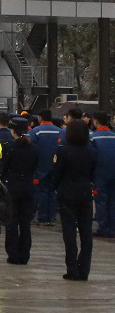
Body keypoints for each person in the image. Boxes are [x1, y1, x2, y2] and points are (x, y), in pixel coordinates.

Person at [53, 119, 96, 280]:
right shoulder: (92, 150)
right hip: (85, 191)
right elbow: (93, 172)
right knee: (86, 232)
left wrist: (56, 186)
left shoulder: (63, 151)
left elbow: (57, 172)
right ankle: (84, 269)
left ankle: (72, 268)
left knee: (69, 232)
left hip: (67, 192)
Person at [1, 117, 37, 264]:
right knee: (25, 223)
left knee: (12, 221)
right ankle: (25, 253)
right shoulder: (34, 148)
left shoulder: (9, 147)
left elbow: (4, 167)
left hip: (12, 187)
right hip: (28, 187)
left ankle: (13, 253)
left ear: (13, 131)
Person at [29, 109, 64, 224]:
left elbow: (32, 149)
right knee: (52, 191)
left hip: (40, 166)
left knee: (41, 191)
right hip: (56, 166)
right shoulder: (60, 131)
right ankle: (52, 217)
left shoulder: (36, 131)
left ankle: (43, 217)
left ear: (40, 118)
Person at [90, 112, 115, 237]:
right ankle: (113, 228)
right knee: (113, 201)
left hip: (99, 174)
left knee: (101, 201)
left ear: (96, 121)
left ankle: (103, 228)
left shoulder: (93, 138)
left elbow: (91, 157)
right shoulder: (114, 136)